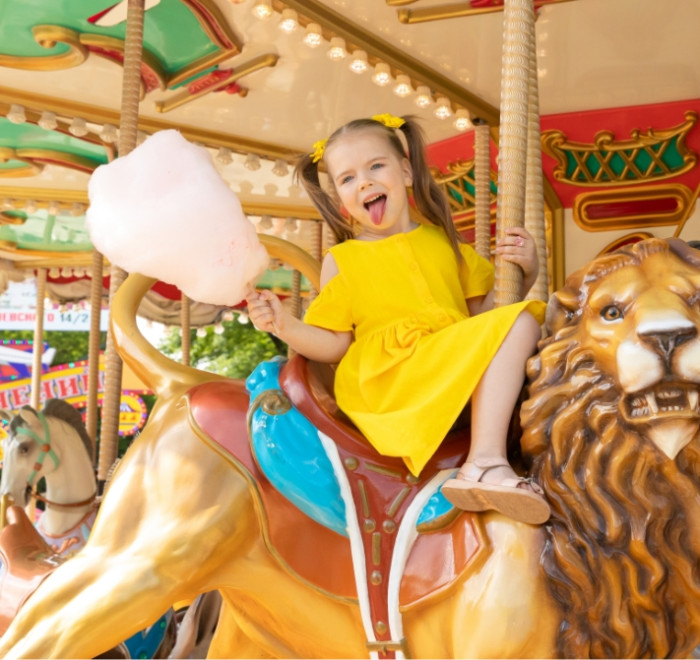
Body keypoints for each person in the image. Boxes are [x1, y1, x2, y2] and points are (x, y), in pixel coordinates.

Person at [246, 113, 550, 525]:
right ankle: (484, 462)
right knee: (522, 323)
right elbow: (335, 342)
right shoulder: (345, 259)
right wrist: (285, 325)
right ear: (340, 199)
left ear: (406, 171)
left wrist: (523, 274)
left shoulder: (441, 241)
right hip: (395, 377)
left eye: (376, 166)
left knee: (524, 323)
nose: (365, 183)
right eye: (348, 179)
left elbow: (484, 315)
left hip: (445, 360)